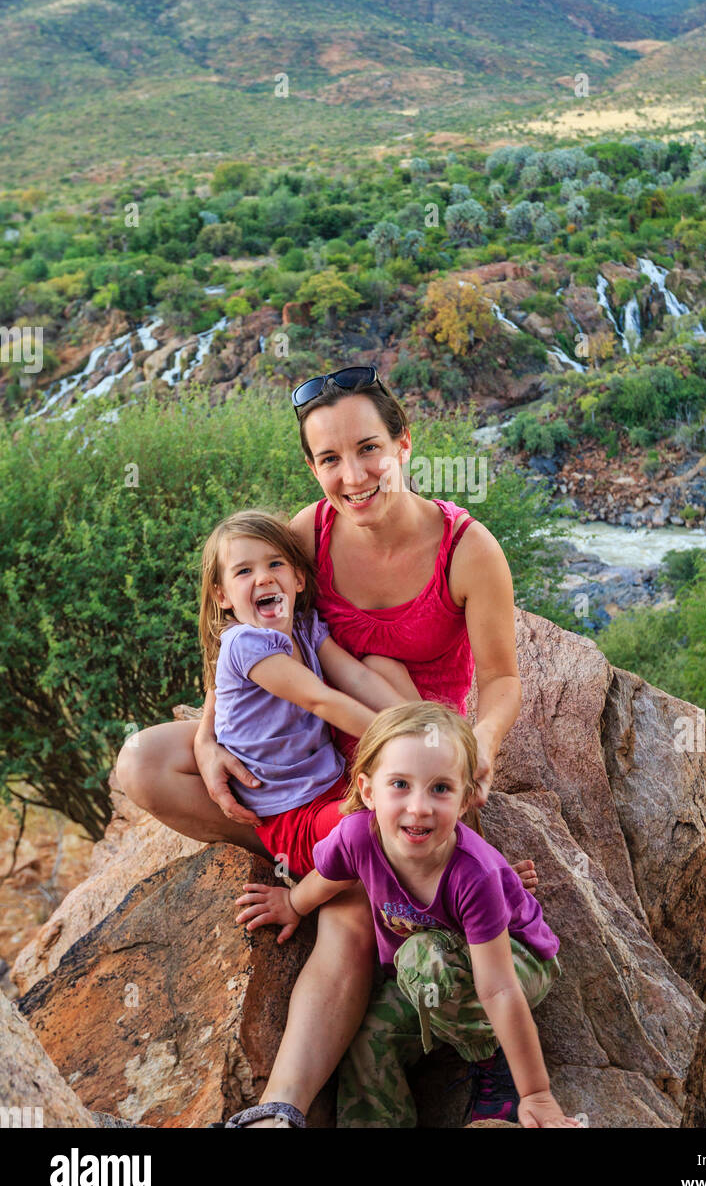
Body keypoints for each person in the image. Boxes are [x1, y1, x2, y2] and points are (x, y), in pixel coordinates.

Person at [116, 365, 529, 1129]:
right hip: (302, 754)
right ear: (312, 468)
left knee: (340, 917)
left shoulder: (468, 550)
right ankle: (313, 857)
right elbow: (247, 635)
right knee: (142, 761)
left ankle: (280, 1107)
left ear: (404, 444)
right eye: (330, 459)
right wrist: (209, 737)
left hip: (397, 750)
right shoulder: (305, 536)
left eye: (369, 449)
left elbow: (502, 678)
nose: (354, 475)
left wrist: (481, 743)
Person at [233, 702, 578, 1129]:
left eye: (440, 789)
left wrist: (537, 1094)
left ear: (467, 797)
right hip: (425, 976)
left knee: (421, 957)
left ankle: (493, 1056)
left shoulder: (475, 875)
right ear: (368, 790)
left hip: (514, 964)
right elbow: (328, 877)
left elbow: (499, 990)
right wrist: (292, 904)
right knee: (368, 1040)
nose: (419, 808)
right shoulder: (358, 834)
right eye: (400, 784)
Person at [199, 508, 420, 876]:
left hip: (334, 785)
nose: (264, 578)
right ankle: (452, 891)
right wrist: (404, 740)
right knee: (381, 823)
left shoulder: (305, 626)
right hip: (292, 815)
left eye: (275, 564)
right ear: (222, 595)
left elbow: (358, 679)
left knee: (421, 799)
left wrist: (425, 725)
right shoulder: (244, 643)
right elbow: (320, 698)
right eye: (244, 571)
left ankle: (483, 866)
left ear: (299, 579)